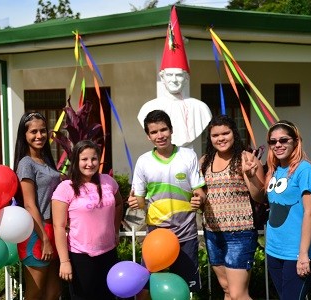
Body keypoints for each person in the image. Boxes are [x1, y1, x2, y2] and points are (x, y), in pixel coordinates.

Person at [128, 109, 206, 298]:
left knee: (185, 291)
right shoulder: (143, 161)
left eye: (163, 130)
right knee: (146, 289)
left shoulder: (188, 156)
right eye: (154, 132)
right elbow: (138, 200)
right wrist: (133, 201)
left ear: (171, 130)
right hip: (157, 235)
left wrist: (199, 199)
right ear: (148, 136)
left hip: (185, 235)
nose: (159, 135)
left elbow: (200, 192)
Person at [199, 115, 265, 300]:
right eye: (215, 135)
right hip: (213, 233)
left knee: (238, 294)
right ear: (210, 138)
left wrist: (251, 175)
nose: (221, 138)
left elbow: (259, 196)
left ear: (234, 134)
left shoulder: (246, 158)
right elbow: (202, 195)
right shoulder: (204, 162)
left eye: (225, 133)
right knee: (227, 290)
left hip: (240, 233)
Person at [51, 140, 123, 299]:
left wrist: (115, 231)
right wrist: (64, 261)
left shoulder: (108, 181)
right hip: (80, 257)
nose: (90, 163)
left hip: (108, 253)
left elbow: (118, 204)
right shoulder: (65, 188)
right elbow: (59, 227)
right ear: (76, 161)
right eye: (84, 159)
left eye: (94, 159)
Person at [137, 6, 211, 147]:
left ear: (187, 78)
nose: (174, 79)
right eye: (170, 75)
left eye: (179, 75)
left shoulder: (200, 108)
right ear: (162, 77)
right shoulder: (147, 108)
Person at [265, 120, 311, 300]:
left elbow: (310, 212)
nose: (278, 145)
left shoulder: (305, 170)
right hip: (274, 250)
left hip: (296, 253)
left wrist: (303, 254)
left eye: (283, 140)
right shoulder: (275, 170)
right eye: (273, 141)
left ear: (295, 141)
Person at [13, 111, 62, 300]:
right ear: (24, 135)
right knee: (35, 292)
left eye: (43, 131)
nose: (39, 136)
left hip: (52, 228)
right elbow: (29, 205)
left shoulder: (46, 160)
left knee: (52, 293)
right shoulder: (26, 163)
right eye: (33, 132)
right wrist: (45, 240)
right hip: (37, 231)